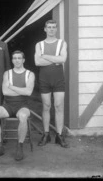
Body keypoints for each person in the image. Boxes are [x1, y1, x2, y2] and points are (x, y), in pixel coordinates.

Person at [0, 50, 35, 161]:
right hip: (8, 104)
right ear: (12, 60)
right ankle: (0, 146)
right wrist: (21, 90)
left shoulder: (30, 74)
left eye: (19, 58)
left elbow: (28, 92)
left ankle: (20, 146)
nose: (17, 60)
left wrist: (12, 87)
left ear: (23, 60)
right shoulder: (7, 73)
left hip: (23, 105)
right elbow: (5, 92)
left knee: (23, 116)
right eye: (14, 58)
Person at [34, 20, 69, 148]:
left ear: (56, 29)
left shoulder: (61, 43)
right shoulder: (39, 44)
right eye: (49, 27)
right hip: (44, 79)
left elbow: (63, 59)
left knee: (59, 106)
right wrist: (55, 60)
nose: (51, 29)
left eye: (54, 27)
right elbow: (37, 62)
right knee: (46, 106)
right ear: (45, 29)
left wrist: (45, 56)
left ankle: (59, 135)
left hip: (58, 79)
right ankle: (46, 134)